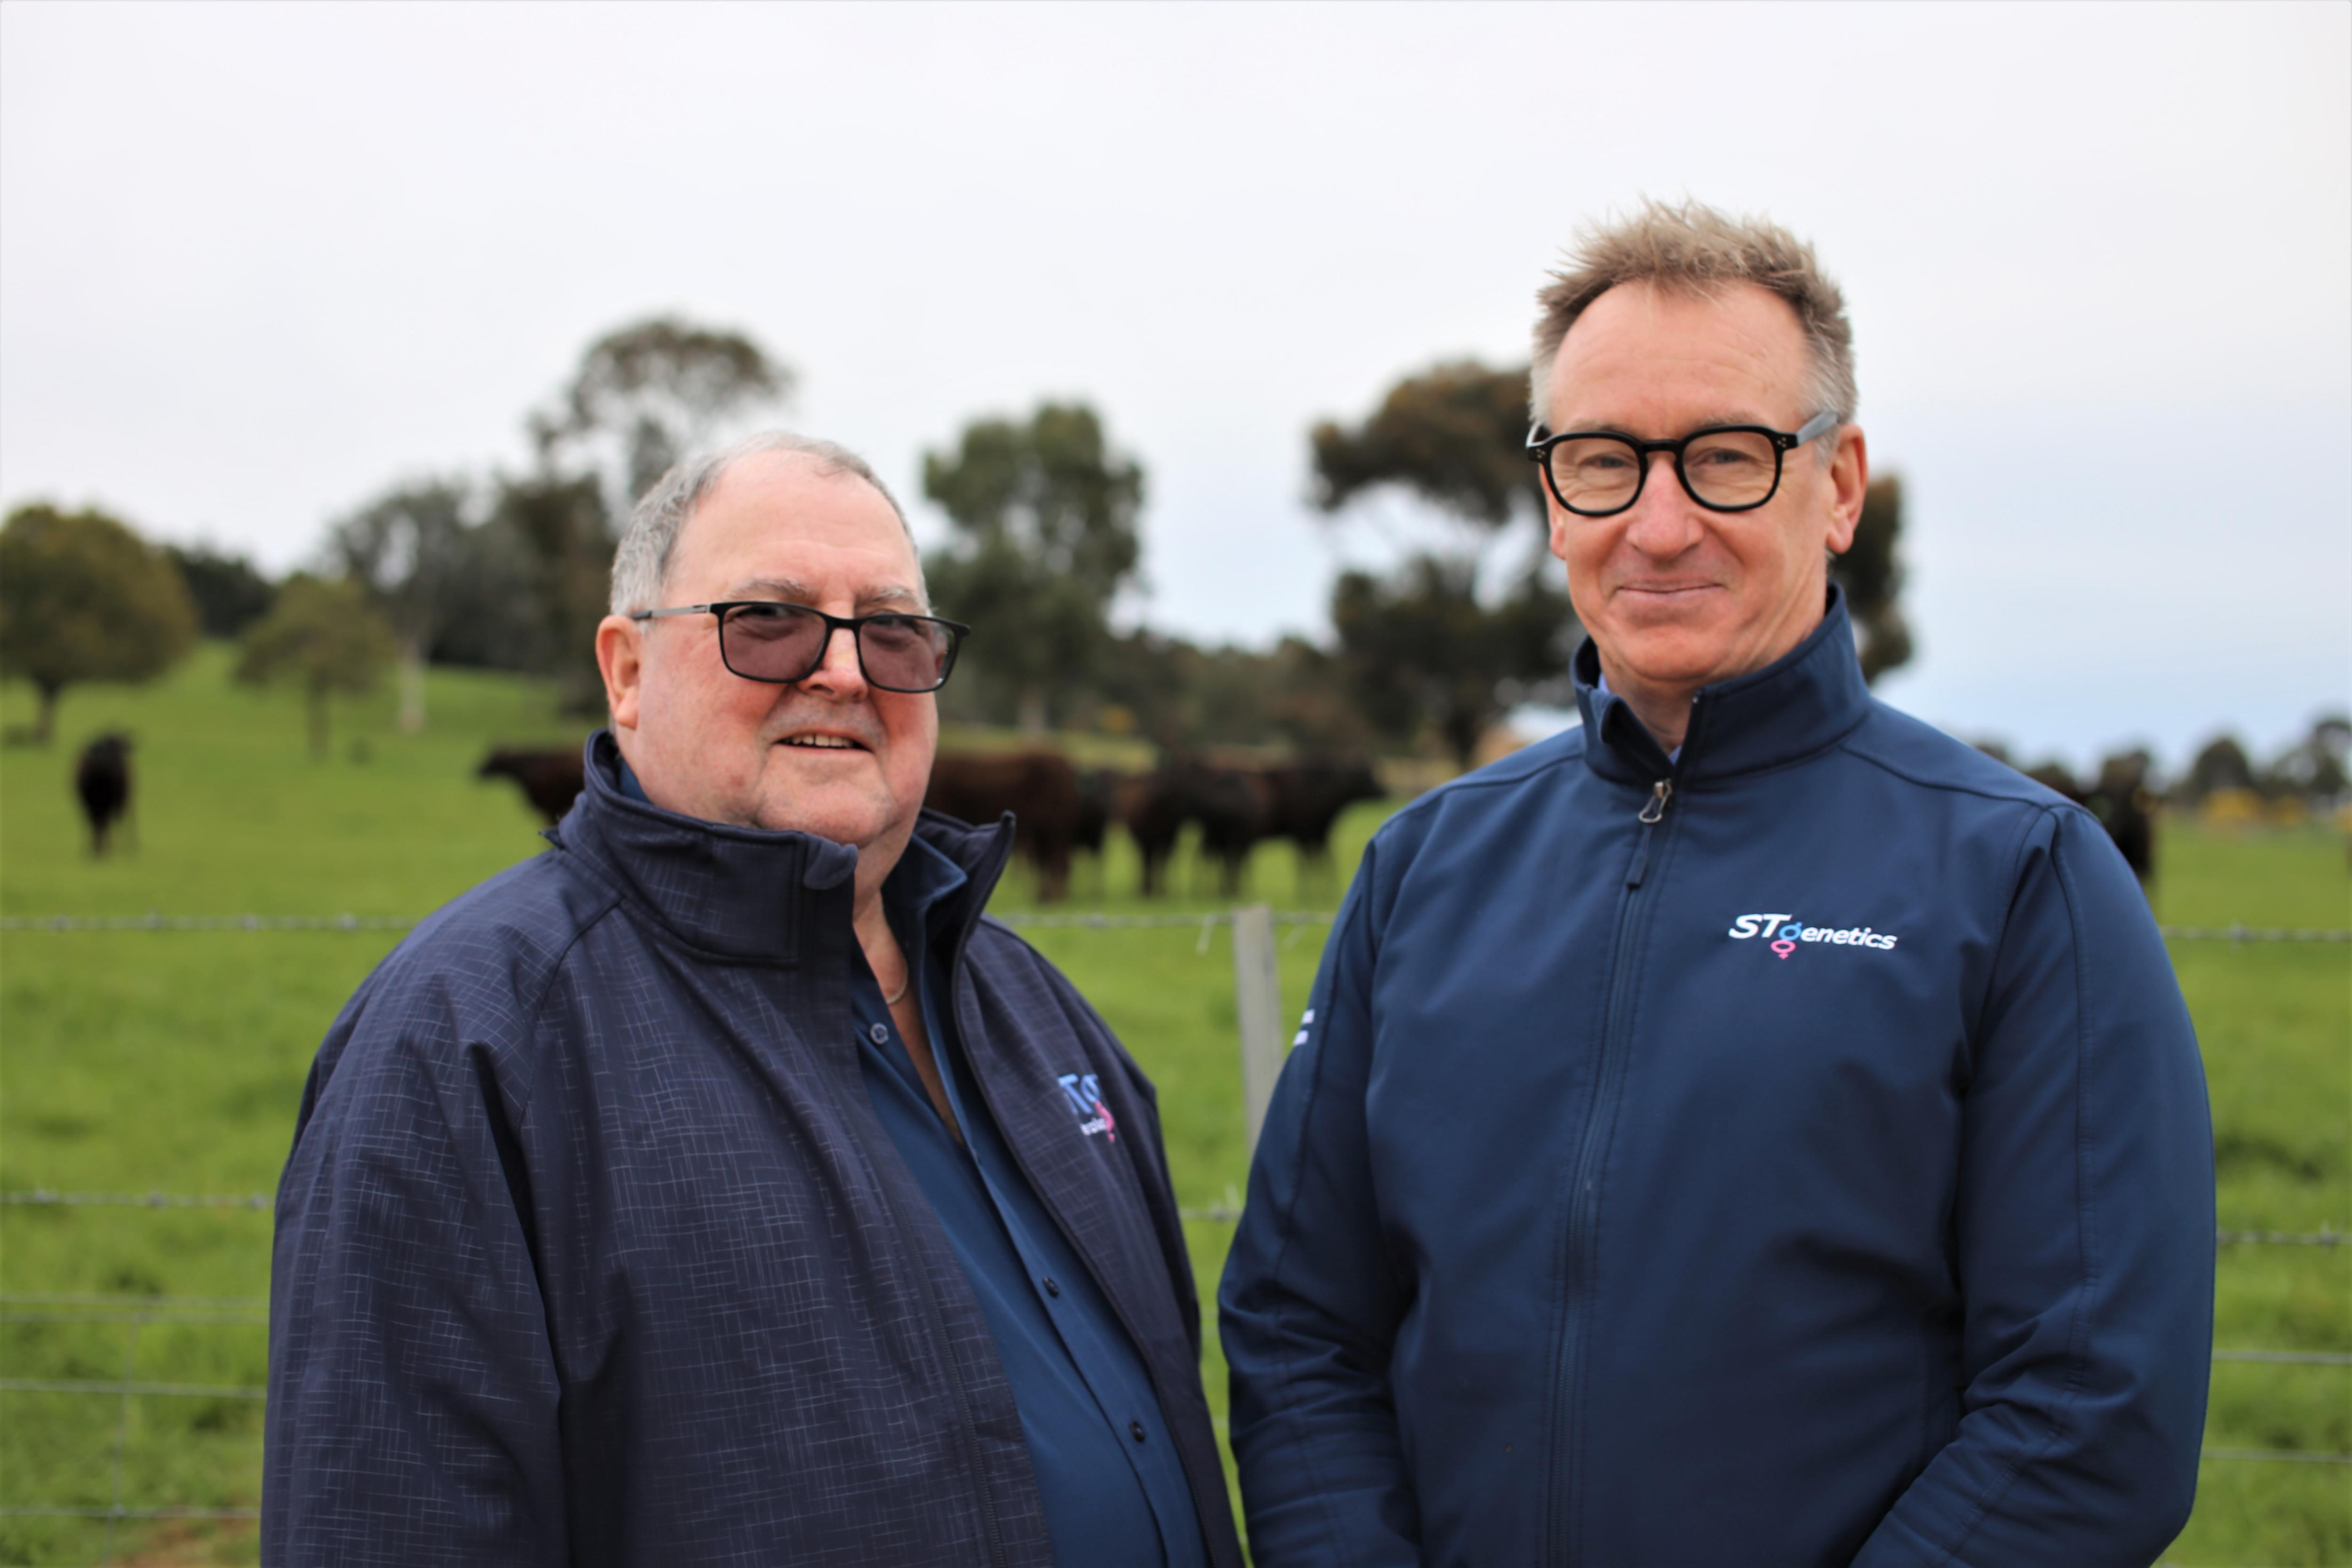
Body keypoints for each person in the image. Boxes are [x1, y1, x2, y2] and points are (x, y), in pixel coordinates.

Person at [1219, 202, 2213, 1567]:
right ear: (1551, 494)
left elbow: (2094, 1409)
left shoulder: (2022, 875)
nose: (1660, 521)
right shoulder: (1423, 867)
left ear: (1842, 483)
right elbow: (1297, 1326)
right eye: (1602, 461)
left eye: (1727, 458)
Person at [267, 432, 1242, 1568]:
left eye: (891, 629)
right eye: (768, 620)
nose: (844, 670)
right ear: (627, 672)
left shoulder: (1038, 1007)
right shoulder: (471, 1043)